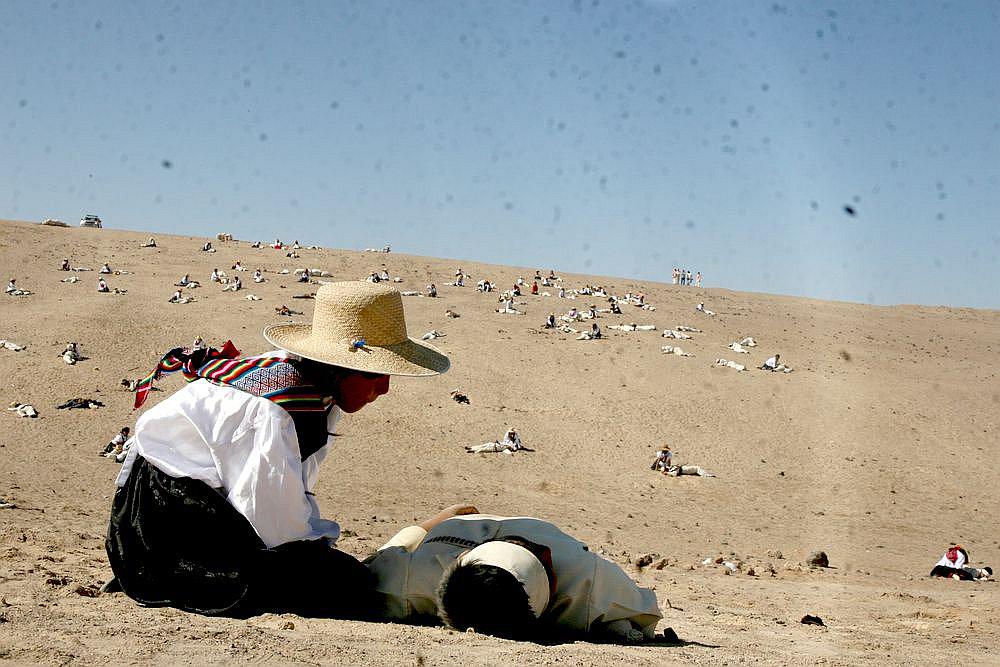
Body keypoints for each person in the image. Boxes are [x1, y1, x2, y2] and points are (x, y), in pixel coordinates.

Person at [105, 281, 450, 617]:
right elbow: (270, 518)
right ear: (342, 368)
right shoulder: (279, 405)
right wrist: (318, 552)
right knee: (343, 585)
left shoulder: (317, 390)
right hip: (164, 514)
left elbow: (291, 487)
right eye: (375, 375)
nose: (385, 389)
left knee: (329, 574)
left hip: (209, 505)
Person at [365, 506, 662, 641]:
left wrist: (435, 522)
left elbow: (382, 558)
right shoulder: (590, 582)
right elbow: (644, 613)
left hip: (454, 528)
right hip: (520, 531)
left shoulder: (413, 580)